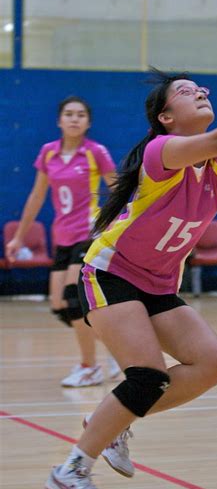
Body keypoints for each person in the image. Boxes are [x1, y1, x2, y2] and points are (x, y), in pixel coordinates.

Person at [44, 68, 217, 489]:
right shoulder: (160, 152)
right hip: (111, 273)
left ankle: (110, 421)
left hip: (159, 282)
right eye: (186, 91)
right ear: (166, 117)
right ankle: (70, 473)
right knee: (147, 376)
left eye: (201, 88)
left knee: (211, 363)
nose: (200, 92)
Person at [6, 96, 120, 386]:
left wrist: (117, 226)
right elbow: (36, 196)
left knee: (74, 301)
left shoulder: (96, 152)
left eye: (81, 115)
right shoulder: (48, 153)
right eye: (68, 114)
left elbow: (118, 189)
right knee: (59, 307)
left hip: (89, 234)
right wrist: (19, 237)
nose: (74, 119)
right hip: (63, 236)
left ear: (88, 122)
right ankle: (120, 349)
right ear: (59, 120)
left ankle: (89, 367)